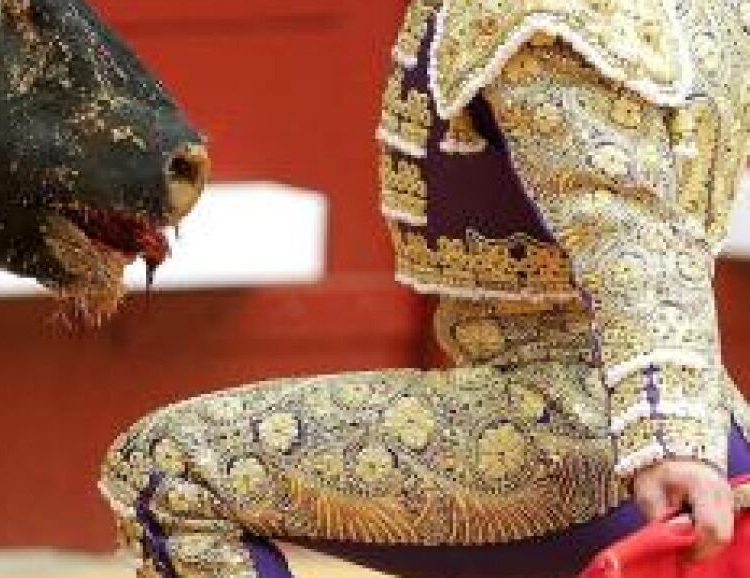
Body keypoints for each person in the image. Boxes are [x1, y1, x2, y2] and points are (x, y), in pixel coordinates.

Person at [99, 1, 750, 576]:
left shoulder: (545, 16)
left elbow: (630, 233)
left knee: (171, 467)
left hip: (594, 445)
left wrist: (671, 437)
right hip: (668, 427)